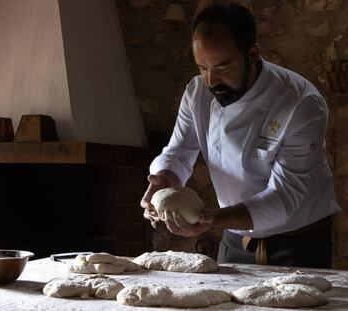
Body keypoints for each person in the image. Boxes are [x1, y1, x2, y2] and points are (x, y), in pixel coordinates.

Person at [140, 3, 340, 268]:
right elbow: (178, 151)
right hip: (235, 239)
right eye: (202, 67)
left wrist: (212, 219)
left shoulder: (300, 103)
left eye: (222, 67)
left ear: (253, 54)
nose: (211, 81)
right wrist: (163, 180)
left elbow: (285, 196)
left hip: (298, 242)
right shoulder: (197, 93)